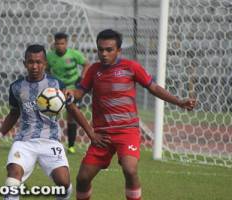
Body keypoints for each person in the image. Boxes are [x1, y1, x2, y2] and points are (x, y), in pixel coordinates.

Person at [67, 29, 197, 200]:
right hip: (102, 134)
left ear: (119, 50)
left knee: (130, 169)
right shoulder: (94, 70)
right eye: (100, 49)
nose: (104, 54)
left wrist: (179, 102)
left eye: (109, 49)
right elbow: (79, 93)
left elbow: (154, 88)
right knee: (82, 178)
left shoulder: (131, 67)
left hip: (127, 132)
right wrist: (69, 93)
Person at [0, 44, 105, 200]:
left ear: (45, 63)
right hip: (24, 142)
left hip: (50, 140)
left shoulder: (57, 85)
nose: (35, 66)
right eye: (31, 62)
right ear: (24, 63)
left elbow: (73, 110)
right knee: (13, 175)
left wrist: (91, 134)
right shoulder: (16, 87)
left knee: (64, 183)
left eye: (39, 62)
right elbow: (13, 113)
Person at [47, 32, 90, 154]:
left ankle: (71, 146)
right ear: (54, 44)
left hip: (72, 88)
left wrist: (81, 80)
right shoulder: (49, 56)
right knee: (51, 115)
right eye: (57, 43)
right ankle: (52, 143)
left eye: (62, 43)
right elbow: (46, 69)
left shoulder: (74, 54)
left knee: (71, 116)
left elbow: (86, 64)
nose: (59, 46)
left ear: (66, 43)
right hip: (57, 90)